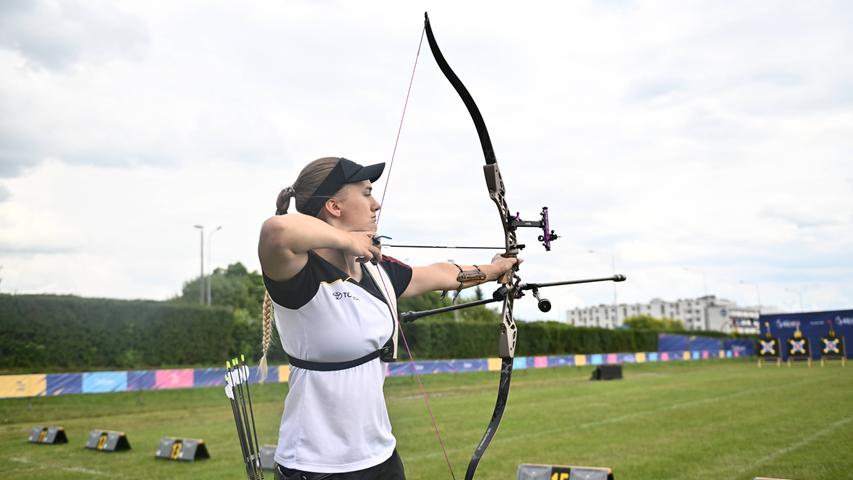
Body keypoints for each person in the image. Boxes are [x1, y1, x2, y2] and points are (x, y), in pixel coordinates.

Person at [256, 156, 519, 480]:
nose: (376, 204)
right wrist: (347, 240)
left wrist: (496, 269)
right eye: (366, 193)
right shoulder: (300, 274)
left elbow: (440, 274)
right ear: (334, 206)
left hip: (380, 457)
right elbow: (276, 230)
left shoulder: (376, 271)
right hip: (316, 464)